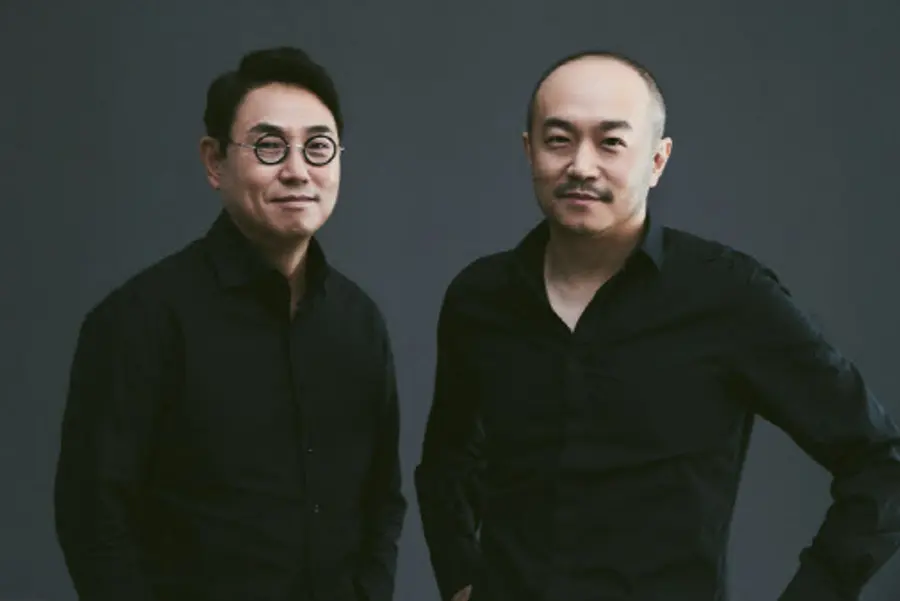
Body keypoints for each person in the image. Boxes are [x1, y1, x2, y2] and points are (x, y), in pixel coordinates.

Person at [414, 50, 900, 601]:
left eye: (611, 142)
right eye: (559, 140)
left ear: (657, 160)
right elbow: (447, 464)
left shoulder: (728, 296)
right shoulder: (479, 298)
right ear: (529, 151)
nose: (581, 165)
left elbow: (880, 462)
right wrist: (461, 578)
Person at [54, 47, 406, 601]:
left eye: (318, 147)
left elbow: (382, 500)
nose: (297, 170)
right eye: (269, 146)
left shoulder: (359, 323)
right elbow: (93, 520)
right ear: (214, 162)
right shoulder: (138, 320)